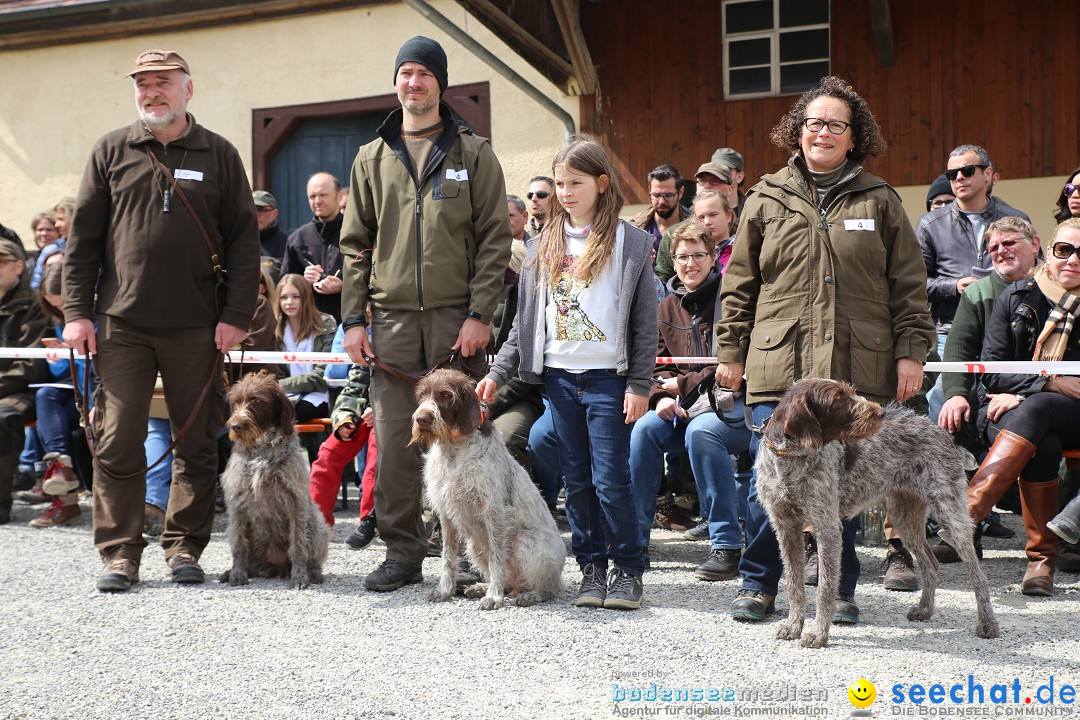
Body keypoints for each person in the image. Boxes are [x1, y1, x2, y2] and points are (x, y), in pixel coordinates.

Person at [715, 76, 935, 623]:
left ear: (854, 137)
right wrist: (731, 352)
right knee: (771, 484)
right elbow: (739, 283)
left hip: (853, 369)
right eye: (814, 123)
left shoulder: (880, 199)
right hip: (778, 366)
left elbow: (908, 284)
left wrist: (911, 351)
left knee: (843, 487)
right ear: (798, 132)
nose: (824, 132)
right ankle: (760, 584)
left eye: (837, 124)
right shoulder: (765, 197)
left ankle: (838, 592)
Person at [62, 49, 259, 592]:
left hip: (198, 324)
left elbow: (244, 242)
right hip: (121, 323)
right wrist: (77, 311)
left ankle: (184, 548)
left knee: (195, 441)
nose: (152, 92)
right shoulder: (111, 150)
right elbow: (82, 243)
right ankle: (120, 554)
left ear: (187, 90)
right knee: (118, 438)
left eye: (163, 83)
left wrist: (236, 314)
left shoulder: (219, 153)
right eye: (143, 84)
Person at [339, 36, 512, 593]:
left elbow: (494, 239)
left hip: (454, 321)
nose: (413, 83)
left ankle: (468, 551)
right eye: (405, 73)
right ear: (397, 82)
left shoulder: (473, 152)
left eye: (423, 74)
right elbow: (354, 245)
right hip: (387, 321)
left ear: (441, 82)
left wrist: (481, 312)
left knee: (463, 437)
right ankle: (402, 552)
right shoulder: (371, 156)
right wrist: (354, 321)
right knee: (393, 441)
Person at [478, 135, 658, 610]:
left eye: (575, 182)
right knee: (575, 480)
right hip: (559, 380)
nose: (564, 192)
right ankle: (592, 570)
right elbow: (523, 323)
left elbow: (644, 323)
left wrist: (640, 384)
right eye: (558, 183)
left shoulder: (632, 242)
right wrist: (498, 373)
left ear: (601, 183)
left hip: (609, 381)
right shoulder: (541, 244)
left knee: (610, 480)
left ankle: (628, 572)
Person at [934, 218, 1080, 597]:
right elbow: (993, 370)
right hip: (1019, 413)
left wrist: (1030, 392)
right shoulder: (1015, 296)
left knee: (1036, 410)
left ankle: (968, 513)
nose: (1072, 259)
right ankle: (1041, 561)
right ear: (1050, 250)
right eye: (1065, 249)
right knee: (1042, 440)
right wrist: (1045, 383)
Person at [629, 218, 749, 581]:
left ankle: (727, 544)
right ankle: (634, 543)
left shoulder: (734, 300)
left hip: (733, 404)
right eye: (682, 257)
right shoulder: (664, 308)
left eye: (698, 255)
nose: (690, 264)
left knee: (702, 433)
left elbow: (728, 369)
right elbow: (651, 362)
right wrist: (657, 398)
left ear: (714, 257)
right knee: (645, 430)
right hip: (682, 406)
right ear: (672, 260)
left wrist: (677, 386)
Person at [917, 144, 1031, 422]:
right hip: (950, 330)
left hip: (1009, 329)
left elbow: (1036, 274)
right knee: (945, 398)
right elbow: (915, 283)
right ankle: (946, 463)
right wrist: (954, 286)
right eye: (951, 173)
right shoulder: (931, 224)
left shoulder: (1014, 219)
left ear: (988, 174)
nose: (958, 178)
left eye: (967, 171)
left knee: (1007, 401)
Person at [28, 265, 90, 528]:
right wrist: (60, 356)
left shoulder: (96, 316)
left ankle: (63, 497)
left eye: (64, 304)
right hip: (72, 387)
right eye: (55, 307)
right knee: (46, 394)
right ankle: (60, 467)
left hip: (97, 387)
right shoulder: (58, 321)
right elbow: (62, 370)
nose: (62, 311)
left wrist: (81, 350)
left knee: (53, 414)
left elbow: (100, 370)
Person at [0, 239, 49, 525]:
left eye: (1, 262)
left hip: (24, 388)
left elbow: (32, 366)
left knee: (1, 417)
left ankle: (2, 503)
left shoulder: (34, 303)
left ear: (19, 266)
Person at [273, 273, 337, 423]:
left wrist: (282, 386)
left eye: (296, 296)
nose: (289, 302)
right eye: (284, 297)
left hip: (320, 394)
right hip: (285, 395)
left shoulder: (325, 324)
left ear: (306, 298)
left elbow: (324, 374)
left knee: (289, 414)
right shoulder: (275, 329)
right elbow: (275, 372)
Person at [281, 172, 344, 322]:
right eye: (312, 196)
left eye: (323, 195)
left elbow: (373, 279)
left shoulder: (357, 234)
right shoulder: (297, 239)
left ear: (339, 196)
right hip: (308, 326)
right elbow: (283, 286)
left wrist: (344, 287)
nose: (317, 201)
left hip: (349, 325)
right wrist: (303, 282)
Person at [630, 164, 691, 253]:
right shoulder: (635, 227)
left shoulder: (696, 223)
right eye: (656, 195)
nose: (662, 201)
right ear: (649, 191)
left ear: (680, 193)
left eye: (668, 195)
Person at [253, 190, 288, 283]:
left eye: (262, 210)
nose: (256, 214)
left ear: (275, 214)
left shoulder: (287, 243)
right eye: (252, 209)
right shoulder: (237, 242)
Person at [507, 194, 528, 272]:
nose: (504, 221)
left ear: (524, 217)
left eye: (510, 215)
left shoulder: (540, 249)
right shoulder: (488, 251)